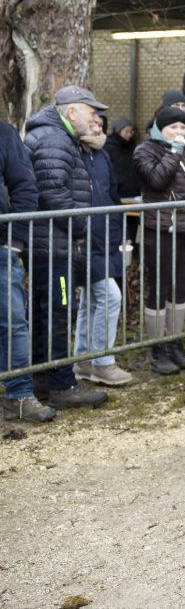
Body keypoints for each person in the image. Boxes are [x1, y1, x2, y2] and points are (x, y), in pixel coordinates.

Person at [22, 86, 108, 410]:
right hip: (53, 247)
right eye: (92, 111)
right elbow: (52, 192)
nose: (96, 118)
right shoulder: (54, 139)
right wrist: (82, 227)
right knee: (59, 311)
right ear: (72, 112)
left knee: (47, 312)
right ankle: (61, 384)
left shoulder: (55, 136)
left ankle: (43, 377)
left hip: (50, 243)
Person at [134, 107, 185, 374]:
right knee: (160, 287)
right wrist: (174, 152)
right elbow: (157, 180)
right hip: (159, 230)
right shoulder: (145, 150)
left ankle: (175, 342)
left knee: (181, 287)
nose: (180, 133)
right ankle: (157, 348)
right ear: (160, 128)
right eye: (174, 128)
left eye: (183, 128)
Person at [72, 119, 133, 387]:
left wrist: (119, 232)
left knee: (91, 300)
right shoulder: (73, 154)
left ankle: (83, 360)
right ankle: (102, 362)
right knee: (110, 296)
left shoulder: (101, 156)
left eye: (100, 124)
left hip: (103, 239)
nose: (98, 129)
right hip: (82, 242)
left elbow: (111, 195)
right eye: (93, 123)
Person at [0, 121, 52, 421]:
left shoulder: (4, 134)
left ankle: (19, 395)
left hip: (2, 249)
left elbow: (24, 185)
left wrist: (14, 241)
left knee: (14, 322)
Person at [104, 118, 140, 242]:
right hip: (118, 194)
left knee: (133, 226)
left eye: (131, 131)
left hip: (134, 195)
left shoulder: (133, 147)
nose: (129, 134)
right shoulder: (109, 147)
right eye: (126, 131)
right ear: (118, 131)